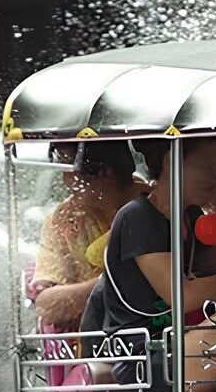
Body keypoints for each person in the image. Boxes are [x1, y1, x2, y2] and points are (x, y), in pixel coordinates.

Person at [82, 137, 216, 392]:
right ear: (171, 162)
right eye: (211, 168)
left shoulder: (190, 217)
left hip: (177, 346)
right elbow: (181, 296)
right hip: (143, 360)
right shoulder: (139, 216)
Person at [31, 141, 141, 332]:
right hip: (93, 347)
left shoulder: (158, 207)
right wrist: (113, 282)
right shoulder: (65, 218)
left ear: (105, 171)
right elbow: (47, 306)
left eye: (68, 166)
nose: (65, 179)